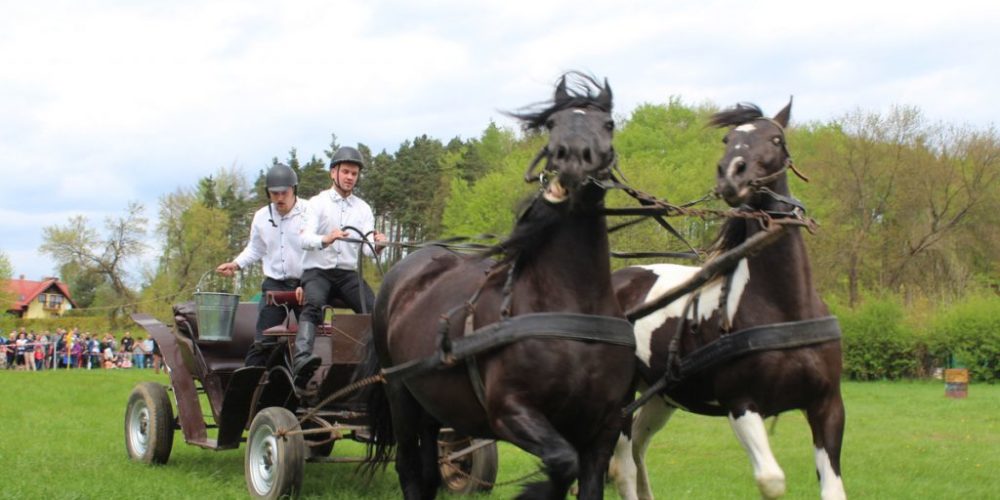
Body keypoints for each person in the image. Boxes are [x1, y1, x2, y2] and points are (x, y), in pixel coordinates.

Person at [295, 146, 386, 386]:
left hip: (347, 274)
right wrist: (326, 239)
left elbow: (366, 249)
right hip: (318, 271)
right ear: (332, 173)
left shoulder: (363, 209)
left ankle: (377, 363)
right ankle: (302, 359)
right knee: (313, 303)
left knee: (374, 309)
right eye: (345, 172)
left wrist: (378, 245)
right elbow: (304, 240)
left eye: (354, 174)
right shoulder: (317, 203)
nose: (349, 178)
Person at [216, 163, 308, 367]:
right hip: (275, 286)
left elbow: (321, 248)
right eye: (274, 193)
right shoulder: (260, 217)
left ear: (294, 190)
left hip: (306, 285)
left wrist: (313, 281)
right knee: (263, 342)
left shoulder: (311, 212)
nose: (280, 198)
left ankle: (311, 389)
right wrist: (236, 264)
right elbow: (256, 248)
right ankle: (247, 390)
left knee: (312, 341)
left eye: (284, 192)